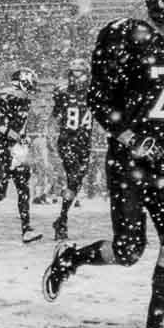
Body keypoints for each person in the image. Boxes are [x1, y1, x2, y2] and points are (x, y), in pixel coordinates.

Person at [39, 0, 164, 328]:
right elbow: (99, 99)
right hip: (129, 159)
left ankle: (155, 326)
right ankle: (72, 258)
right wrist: (131, 138)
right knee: (130, 250)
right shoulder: (125, 36)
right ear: (158, 2)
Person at [0, 67, 42, 243]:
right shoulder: (6, 97)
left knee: (24, 190)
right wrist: (18, 136)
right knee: (0, 191)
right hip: (3, 150)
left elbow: (22, 127)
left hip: (17, 151)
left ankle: (26, 229)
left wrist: (24, 138)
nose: (32, 89)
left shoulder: (25, 101)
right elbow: (2, 127)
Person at [50, 60, 94, 239]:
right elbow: (54, 115)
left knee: (75, 183)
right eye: (74, 72)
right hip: (67, 140)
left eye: (80, 72)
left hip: (84, 142)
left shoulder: (93, 93)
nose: (77, 77)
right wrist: (50, 133)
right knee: (74, 175)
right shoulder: (63, 92)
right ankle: (61, 222)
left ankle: (61, 219)